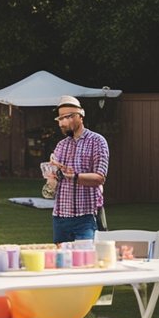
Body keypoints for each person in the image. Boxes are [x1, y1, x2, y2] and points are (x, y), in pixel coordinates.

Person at [43, 95, 110, 243]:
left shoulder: (97, 141)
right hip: (60, 218)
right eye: (60, 119)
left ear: (80, 116)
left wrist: (74, 176)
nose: (62, 123)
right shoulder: (61, 145)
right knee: (61, 264)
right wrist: (51, 176)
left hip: (86, 218)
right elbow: (51, 188)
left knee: (85, 263)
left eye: (66, 118)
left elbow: (100, 178)